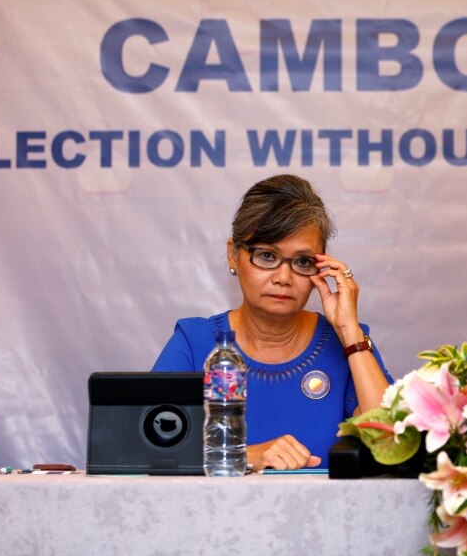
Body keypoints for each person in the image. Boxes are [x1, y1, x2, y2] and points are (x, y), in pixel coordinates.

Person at [153, 174, 392, 470]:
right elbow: (150, 451)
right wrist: (246, 455)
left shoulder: (349, 344)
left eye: (302, 262)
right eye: (266, 255)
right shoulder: (194, 342)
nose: (283, 278)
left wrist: (348, 329)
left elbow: (390, 448)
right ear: (233, 255)